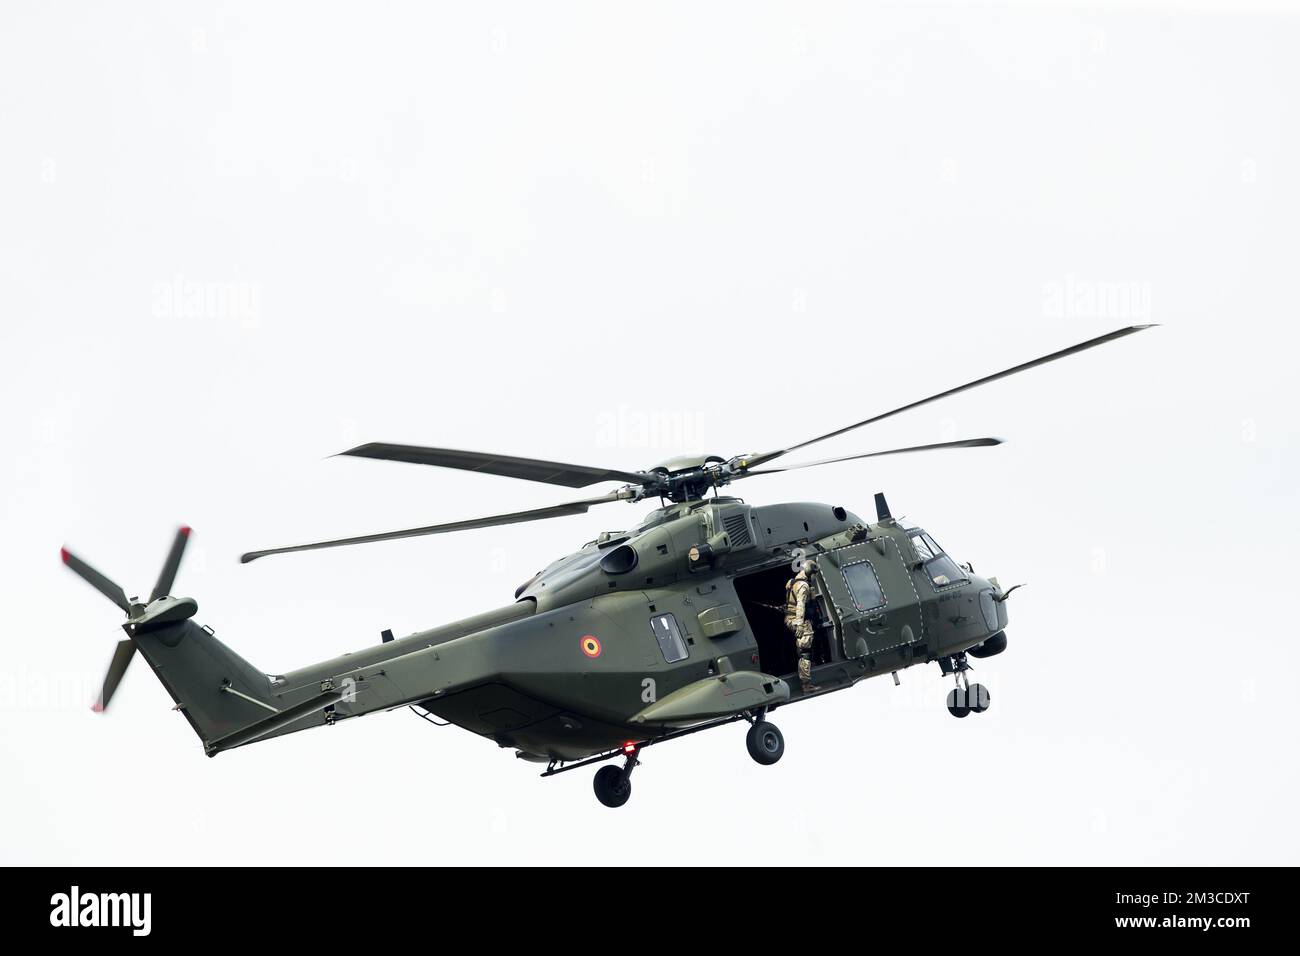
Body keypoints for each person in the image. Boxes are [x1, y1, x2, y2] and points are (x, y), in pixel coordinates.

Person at [784, 561, 818, 693]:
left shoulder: (792, 582)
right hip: (799, 620)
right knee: (805, 652)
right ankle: (806, 684)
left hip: (789, 618)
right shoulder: (803, 586)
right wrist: (799, 624)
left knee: (803, 649)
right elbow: (800, 605)